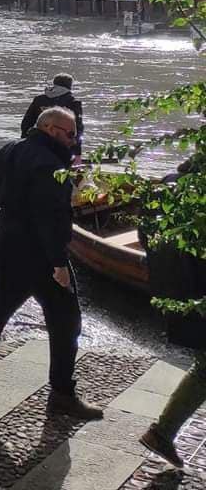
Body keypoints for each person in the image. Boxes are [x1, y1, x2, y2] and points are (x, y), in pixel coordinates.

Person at [0, 107, 103, 419]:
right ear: (50, 130)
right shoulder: (51, 165)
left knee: (1, 306)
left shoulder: (10, 150)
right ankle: (62, 394)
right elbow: (50, 219)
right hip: (41, 253)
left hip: (10, 243)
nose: (74, 141)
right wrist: (59, 264)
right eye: (70, 134)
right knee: (66, 322)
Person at [138, 149, 206, 468]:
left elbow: (145, 237)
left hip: (177, 293)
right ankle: (162, 433)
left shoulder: (164, 186)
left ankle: (162, 433)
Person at [21, 73, 84, 155]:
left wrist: (24, 145)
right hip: (61, 146)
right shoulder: (73, 102)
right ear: (70, 86)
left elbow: (26, 124)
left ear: (54, 83)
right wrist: (77, 153)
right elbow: (78, 128)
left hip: (39, 143)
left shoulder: (39, 100)